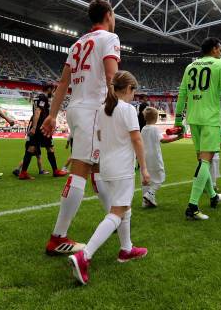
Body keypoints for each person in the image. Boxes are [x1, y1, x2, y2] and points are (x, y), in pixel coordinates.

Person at [41, 0, 120, 255]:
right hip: (93, 111)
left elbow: (63, 83)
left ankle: (114, 219)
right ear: (108, 15)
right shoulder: (109, 38)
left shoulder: (77, 44)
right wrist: (116, 107)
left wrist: (53, 115)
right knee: (80, 171)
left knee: (98, 166)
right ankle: (58, 237)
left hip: (76, 109)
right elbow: (112, 77)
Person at [68, 71, 149, 285]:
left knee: (124, 208)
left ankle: (126, 249)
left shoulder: (103, 110)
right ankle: (84, 255)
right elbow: (137, 140)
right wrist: (144, 168)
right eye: (134, 91)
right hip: (122, 168)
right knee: (117, 212)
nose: (134, 95)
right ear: (129, 89)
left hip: (106, 167)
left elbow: (99, 137)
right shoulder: (128, 109)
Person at [174, 37, 221, 220]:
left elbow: (182, 93)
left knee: (202, 160)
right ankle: (192, 206)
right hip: (210, 119)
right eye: (220, 49)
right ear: (214, 49)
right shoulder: (220, 65)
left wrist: (177, 119)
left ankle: (214, 197)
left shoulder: (190, 67)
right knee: (206, 161)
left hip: (193, 118)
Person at [17, 83, 67, 180]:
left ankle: (23, 172)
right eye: (53, 90)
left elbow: (36, 111)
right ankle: (56, 171)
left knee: (31, 148)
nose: (53, 93)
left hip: (37, 126)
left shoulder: (37, 97)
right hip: (42, 127)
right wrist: (35, 127)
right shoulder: (43, 97)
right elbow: (38, 112)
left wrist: (33, 126)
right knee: (50, 148)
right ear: (49, 89)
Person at [141, 107, 182, 208]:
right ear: (156, 118)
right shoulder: (154, 129)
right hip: (155, 157)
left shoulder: (143, 129)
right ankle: (149, 194)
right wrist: (177, 138)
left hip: (145, 158)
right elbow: (163, 140)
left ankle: (145, 202)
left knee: (146, 179)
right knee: (160, 178)